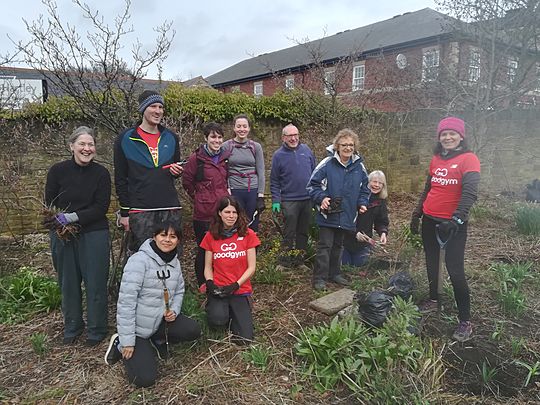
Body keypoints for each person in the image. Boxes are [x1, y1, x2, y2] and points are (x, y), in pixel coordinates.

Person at [105, 222, 201, 387]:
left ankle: (157, 340)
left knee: (193, 330)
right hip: (137, 329)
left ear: (178, 240)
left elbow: (179, 291)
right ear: (154, 236)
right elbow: (126, 303)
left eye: (173, 237)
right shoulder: (138, 261)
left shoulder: (174, 262)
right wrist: (128, 340)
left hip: (159, 322)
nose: (167, 240)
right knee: (145, 379)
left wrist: (174, 311)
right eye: (163, 235)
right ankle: (119, 342)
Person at [410, 116, 480, 342]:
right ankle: (433, 299)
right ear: (439, 138)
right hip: (430, 221)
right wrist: (417, 213)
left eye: (452, 133)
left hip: (452, 225)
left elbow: (470, 194)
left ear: (461, 136)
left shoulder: (469, 160)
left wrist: (456, 220)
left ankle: (465, 321)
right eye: (443, 134)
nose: (447, 137)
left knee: (455, 269)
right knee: (432, 261)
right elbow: (428, 189)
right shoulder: (436, 159)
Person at [44, 126, 111, 346]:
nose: (86, 148)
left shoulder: (101, 174)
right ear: (71, 146)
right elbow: (50, 203)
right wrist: (56, 222)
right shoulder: (57, 171)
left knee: (95, 282)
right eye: (82, 144)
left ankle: (97, 328)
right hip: (63, 236)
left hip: (94, 233)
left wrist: (72, 217)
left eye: (90, 144)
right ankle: (72, 325)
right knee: (68, 282)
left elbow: (100, 208)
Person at [114, 90, 184, 253]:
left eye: (161, 107)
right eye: (153, 106)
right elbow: (120, 178)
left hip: (169, 208)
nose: (158, 111)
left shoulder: (171, 137)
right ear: (143, 109)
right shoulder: (126, 138)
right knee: (141, 258)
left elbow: (174, 171)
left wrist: (176, 172)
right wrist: (125, 213)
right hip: (140, 210)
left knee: (171, 257)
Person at [307, 129, 370, 291]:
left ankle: (334, 273)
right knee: (325, 246)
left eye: (351, 145)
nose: (348, 148)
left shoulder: (359, 166)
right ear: (337, 146)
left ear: (355, 146)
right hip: (328, 213)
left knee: (338, 246)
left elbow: (365, 188)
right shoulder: (327, 163)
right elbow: (312, 185)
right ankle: (319, 278)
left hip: (347, 213)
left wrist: (362, 202)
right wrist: (321, 198)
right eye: (344, 145)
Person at [201, 196, 261, 342]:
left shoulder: (248, 234)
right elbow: (208, 267)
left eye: (234, 212)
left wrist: (236, 285)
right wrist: (210, 283)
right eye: (227, 212)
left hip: (239, 288)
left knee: (245, 339)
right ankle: (219, 310)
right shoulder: (210, 236)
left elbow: (252, 267)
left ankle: (237, 313)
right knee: (217, 321)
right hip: (219, 289)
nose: (231, 216)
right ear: (220, 213)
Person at [182, 122, 230, 292]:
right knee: (204, 249)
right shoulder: (197, 159)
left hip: (221, 212)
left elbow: (225, 180)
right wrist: (198, 197)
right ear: (206, 138)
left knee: (221, 247)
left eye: (219, 137)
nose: (216, 140)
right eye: (213, 137)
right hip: (203, 214)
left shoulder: (225, 157)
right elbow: (186, 181)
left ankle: (218, 277)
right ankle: (202, 281)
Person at [270, 124, 316, 268]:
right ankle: (284, 263)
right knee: (288, 232)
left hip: (307, 199)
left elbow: (315, 173)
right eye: (290, 136)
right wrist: (276, 200)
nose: (294, 138)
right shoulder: (278, 155)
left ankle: (299, 261)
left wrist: (316, 195)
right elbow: (274, 180)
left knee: (303, 232)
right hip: (289, 200)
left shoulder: (306, 150)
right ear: (283, 138)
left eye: (296, 135)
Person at [222, 114, 265, 231]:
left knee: (252, 222)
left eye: (245, 126)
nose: (242, 129)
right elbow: (223, 170)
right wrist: (227, 188)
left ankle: (253, 248)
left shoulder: (256, 147)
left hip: (252, 189)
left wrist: (261, 195)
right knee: (235, 221)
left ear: (249, 128)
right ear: (234, 128)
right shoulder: (226, 146)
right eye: (239, 126)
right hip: (235, 189)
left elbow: (261, 171)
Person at [342, 170, 389, 269]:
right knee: (345, 264)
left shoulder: (381, 202)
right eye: (374, 182)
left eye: (380, 183)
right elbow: (344, 218)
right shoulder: (356, 196)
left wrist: (383, 233)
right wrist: (355, 233)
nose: (377, 185)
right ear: (368, 182)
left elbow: (381, 221)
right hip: (346, 238)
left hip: (363, 242)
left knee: (359, 264)